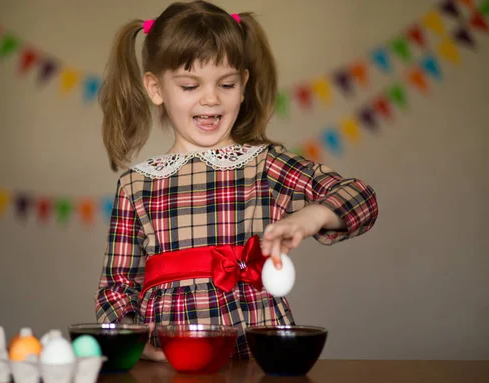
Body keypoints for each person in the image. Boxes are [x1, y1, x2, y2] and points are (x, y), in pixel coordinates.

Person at [94, 0, 378, 361]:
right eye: (189, 85)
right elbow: (116, 290)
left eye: (226, 84)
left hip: (252, 358)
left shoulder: (264, 164)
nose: (211, 98)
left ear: (243, 85)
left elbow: (361, 198)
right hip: (169, 365)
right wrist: (148, 351)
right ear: (155, 88)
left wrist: (309, 218)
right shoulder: (137, 185)